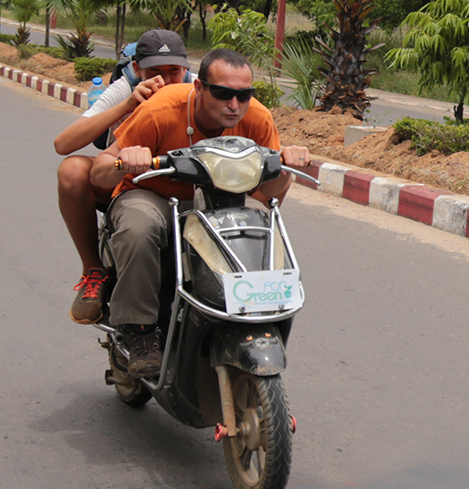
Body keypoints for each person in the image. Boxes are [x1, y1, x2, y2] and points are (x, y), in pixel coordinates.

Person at [90, 48, 311, 378]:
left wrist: (286, 169)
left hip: (220, 203)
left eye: (244, 95)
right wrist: (126, 159)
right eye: (222, 94)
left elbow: (267, 196)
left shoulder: (257, 119)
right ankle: (140, 331)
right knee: (140, 227)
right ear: (199, 88)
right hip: (153, 195)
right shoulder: (161, 110)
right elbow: (100, 170)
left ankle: (243, 313)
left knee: (258, 227)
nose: (234, 105)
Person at [54, 29, 192, 326]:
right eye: (154, 72)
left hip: (184, 184)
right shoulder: (125, 88)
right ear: (137, 69)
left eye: (173, 72)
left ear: (186, 69)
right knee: (72, 170)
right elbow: (63, 145)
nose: (165, 81)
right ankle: (94, 270)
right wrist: (129, 104)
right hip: (128, 181)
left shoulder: (198, 91)